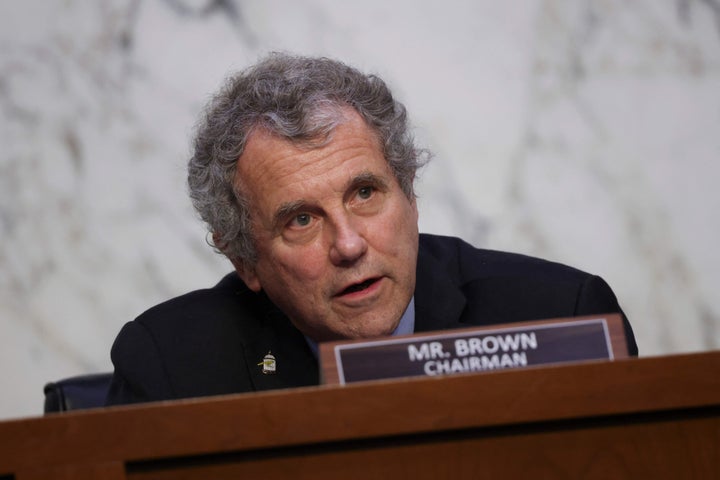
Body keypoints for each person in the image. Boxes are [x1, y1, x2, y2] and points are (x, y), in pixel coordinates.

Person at [106, 53, 638, 405]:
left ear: (409, 193)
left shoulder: (561, 315)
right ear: (246, 261)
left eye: (364, 193)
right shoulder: (172, 369)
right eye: (301, 220)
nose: (349, 244)